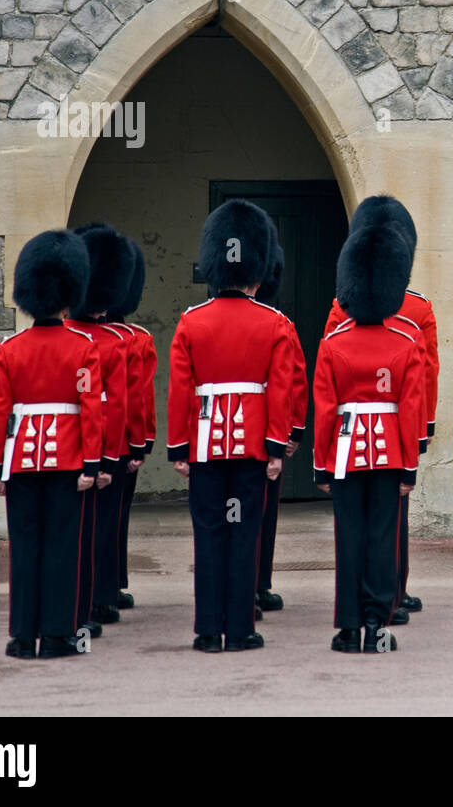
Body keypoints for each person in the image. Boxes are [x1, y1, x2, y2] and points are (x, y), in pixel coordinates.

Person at [168, 199, 293, 652]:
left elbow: (180, 389)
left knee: (208, 534)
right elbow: (279, 390)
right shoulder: (274, 323)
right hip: (252, 451)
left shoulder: (190, 322)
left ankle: (206, 630)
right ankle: (239, 629)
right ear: (256, 271)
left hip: (205, 448)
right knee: (244, 534)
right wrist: (276, 449)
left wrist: (180, 449)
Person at [0, 230, 103, 659]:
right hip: (68, 462)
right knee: (61, 550)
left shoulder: (10, 349)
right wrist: (91, 464)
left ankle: (21, 636)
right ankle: (57, 635)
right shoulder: (83, 348)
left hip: (20, 464)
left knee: (25, 549)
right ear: (69, 295)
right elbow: (91, 408)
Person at [322, 196, 438, 622]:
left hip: (354, 437)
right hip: (394, 430)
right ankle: (389, 593)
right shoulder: (416, 310)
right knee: (391, 518)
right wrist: (418, 434)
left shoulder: (342, 308)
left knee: (358, 523)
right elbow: (426, 376)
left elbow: (328, 382)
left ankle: (358, 610)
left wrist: (325, 453)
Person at [66, 224, 136, 634]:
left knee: (71, 531)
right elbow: (117, 405)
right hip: (102, 448)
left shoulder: (66, 337)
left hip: (60, 451)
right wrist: (110, 457)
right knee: (100, 527)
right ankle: (95, 598)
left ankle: (73, 605)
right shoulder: (114, 342)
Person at [253, 238, 308, 617]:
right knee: (262, 514)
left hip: (214, 441)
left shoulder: (196, 319)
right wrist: (292, 431)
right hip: (266, 434)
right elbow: (294, 381)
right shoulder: (279, 325)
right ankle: (257, 585)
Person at [108, 236, 156, 611]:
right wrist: (141, 443)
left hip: (72, 446)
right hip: (119, 443)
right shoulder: (132, 340)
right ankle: (110, 585)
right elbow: (138, 399)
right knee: (114, 517)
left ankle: (85, 591)